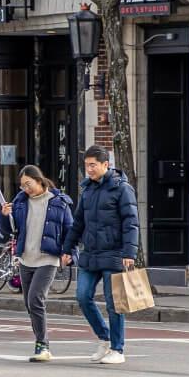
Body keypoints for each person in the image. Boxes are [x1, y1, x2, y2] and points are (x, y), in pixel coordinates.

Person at [62, 145, 138, 365]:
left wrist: (129, 252)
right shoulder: (88, 190)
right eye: (86, 165)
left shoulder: (122, 189)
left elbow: (131, 222)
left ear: (106, 164)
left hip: (114, 253)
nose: (89, 169)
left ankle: (117, 348)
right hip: (91, 253)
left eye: (93, 165)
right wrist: (67, 249)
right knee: (82, 296)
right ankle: (104, 337)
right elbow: (78, 223)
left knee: (114, 303)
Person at [0, 164, 74, 363]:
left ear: (39, 180)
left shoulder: (58, 202)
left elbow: (70, 229)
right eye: (22, 186)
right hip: (26, 258)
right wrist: (4, 215)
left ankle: (43, 345)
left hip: (48, 258)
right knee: (28, 303)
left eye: (28, 184)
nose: (25, 189)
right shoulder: (21, 201)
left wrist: (69, 252)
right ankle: (41, 342)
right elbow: (9, 229)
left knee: (35, 299)